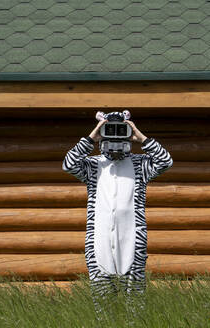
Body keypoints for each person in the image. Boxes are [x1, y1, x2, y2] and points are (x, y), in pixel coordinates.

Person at [62, 110, 173, 320]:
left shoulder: (141, 164)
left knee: (135, 303)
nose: (114, 137)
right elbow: (68, 164)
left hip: (133, 241)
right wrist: (93, 136)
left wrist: (139, 136)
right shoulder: (94, 165)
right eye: (108, 132)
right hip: (98, 241)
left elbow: (165, 161)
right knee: (103, 302)